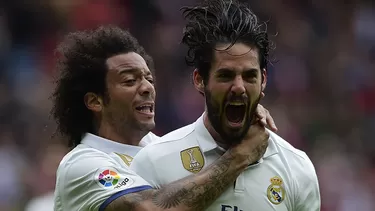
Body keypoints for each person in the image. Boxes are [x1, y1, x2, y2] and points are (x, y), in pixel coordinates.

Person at [50, 25, 278, 211]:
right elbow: (151, 208)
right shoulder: (82, 165)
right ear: (95, 101)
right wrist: (241, 155)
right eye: (130, 81)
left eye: (148, 78)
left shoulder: (160, 147)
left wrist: (244, 111)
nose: (147, 88)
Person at [130, 0, 321, 210]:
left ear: (264, 80)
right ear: (199, 80)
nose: (239, 87)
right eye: (226, 75)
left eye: (250, 76)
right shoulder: (154, 161)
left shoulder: (296, 168)